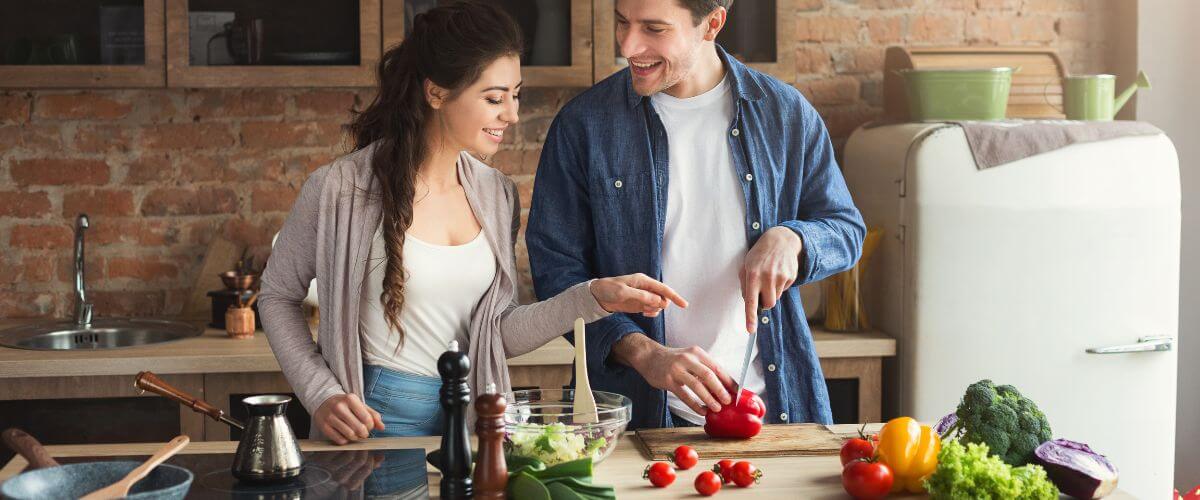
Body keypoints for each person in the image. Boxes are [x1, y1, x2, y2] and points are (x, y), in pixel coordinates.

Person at [258, 1, 686, 445]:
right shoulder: (339, 189)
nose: (512, 114)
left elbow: (496, 333)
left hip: (474, 420)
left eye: (515, 95)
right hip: (376, 420)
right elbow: (276, 297)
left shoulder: (496, 194)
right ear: (436, 93)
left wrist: (593, 297)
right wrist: (321, 393)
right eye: (494, 98)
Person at [526, 0, 866, 430]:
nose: (629, 45)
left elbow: (846, 228)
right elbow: (557, 273)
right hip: (634, 418)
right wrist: (644, 353)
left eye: (654, 29)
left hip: (771, 409)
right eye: (622, 22)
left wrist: (793, 239)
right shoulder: (583, 126)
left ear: (712, 25)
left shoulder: (785, 114)